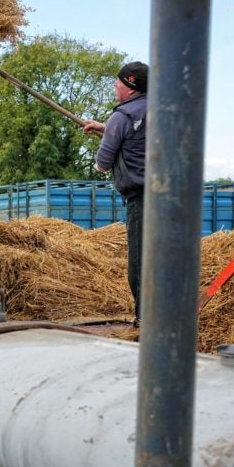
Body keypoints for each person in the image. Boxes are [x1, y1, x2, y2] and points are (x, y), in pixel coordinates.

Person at [84, 61, 148, 328]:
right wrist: (105, 129)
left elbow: (103, 163)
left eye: (118, 81)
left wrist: (109, 131)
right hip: (171, 197)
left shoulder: (121, 117)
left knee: (140, 263)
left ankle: (146, 319)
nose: (115, 85)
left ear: (130, 87)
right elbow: (137, 140)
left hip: (142, 200)